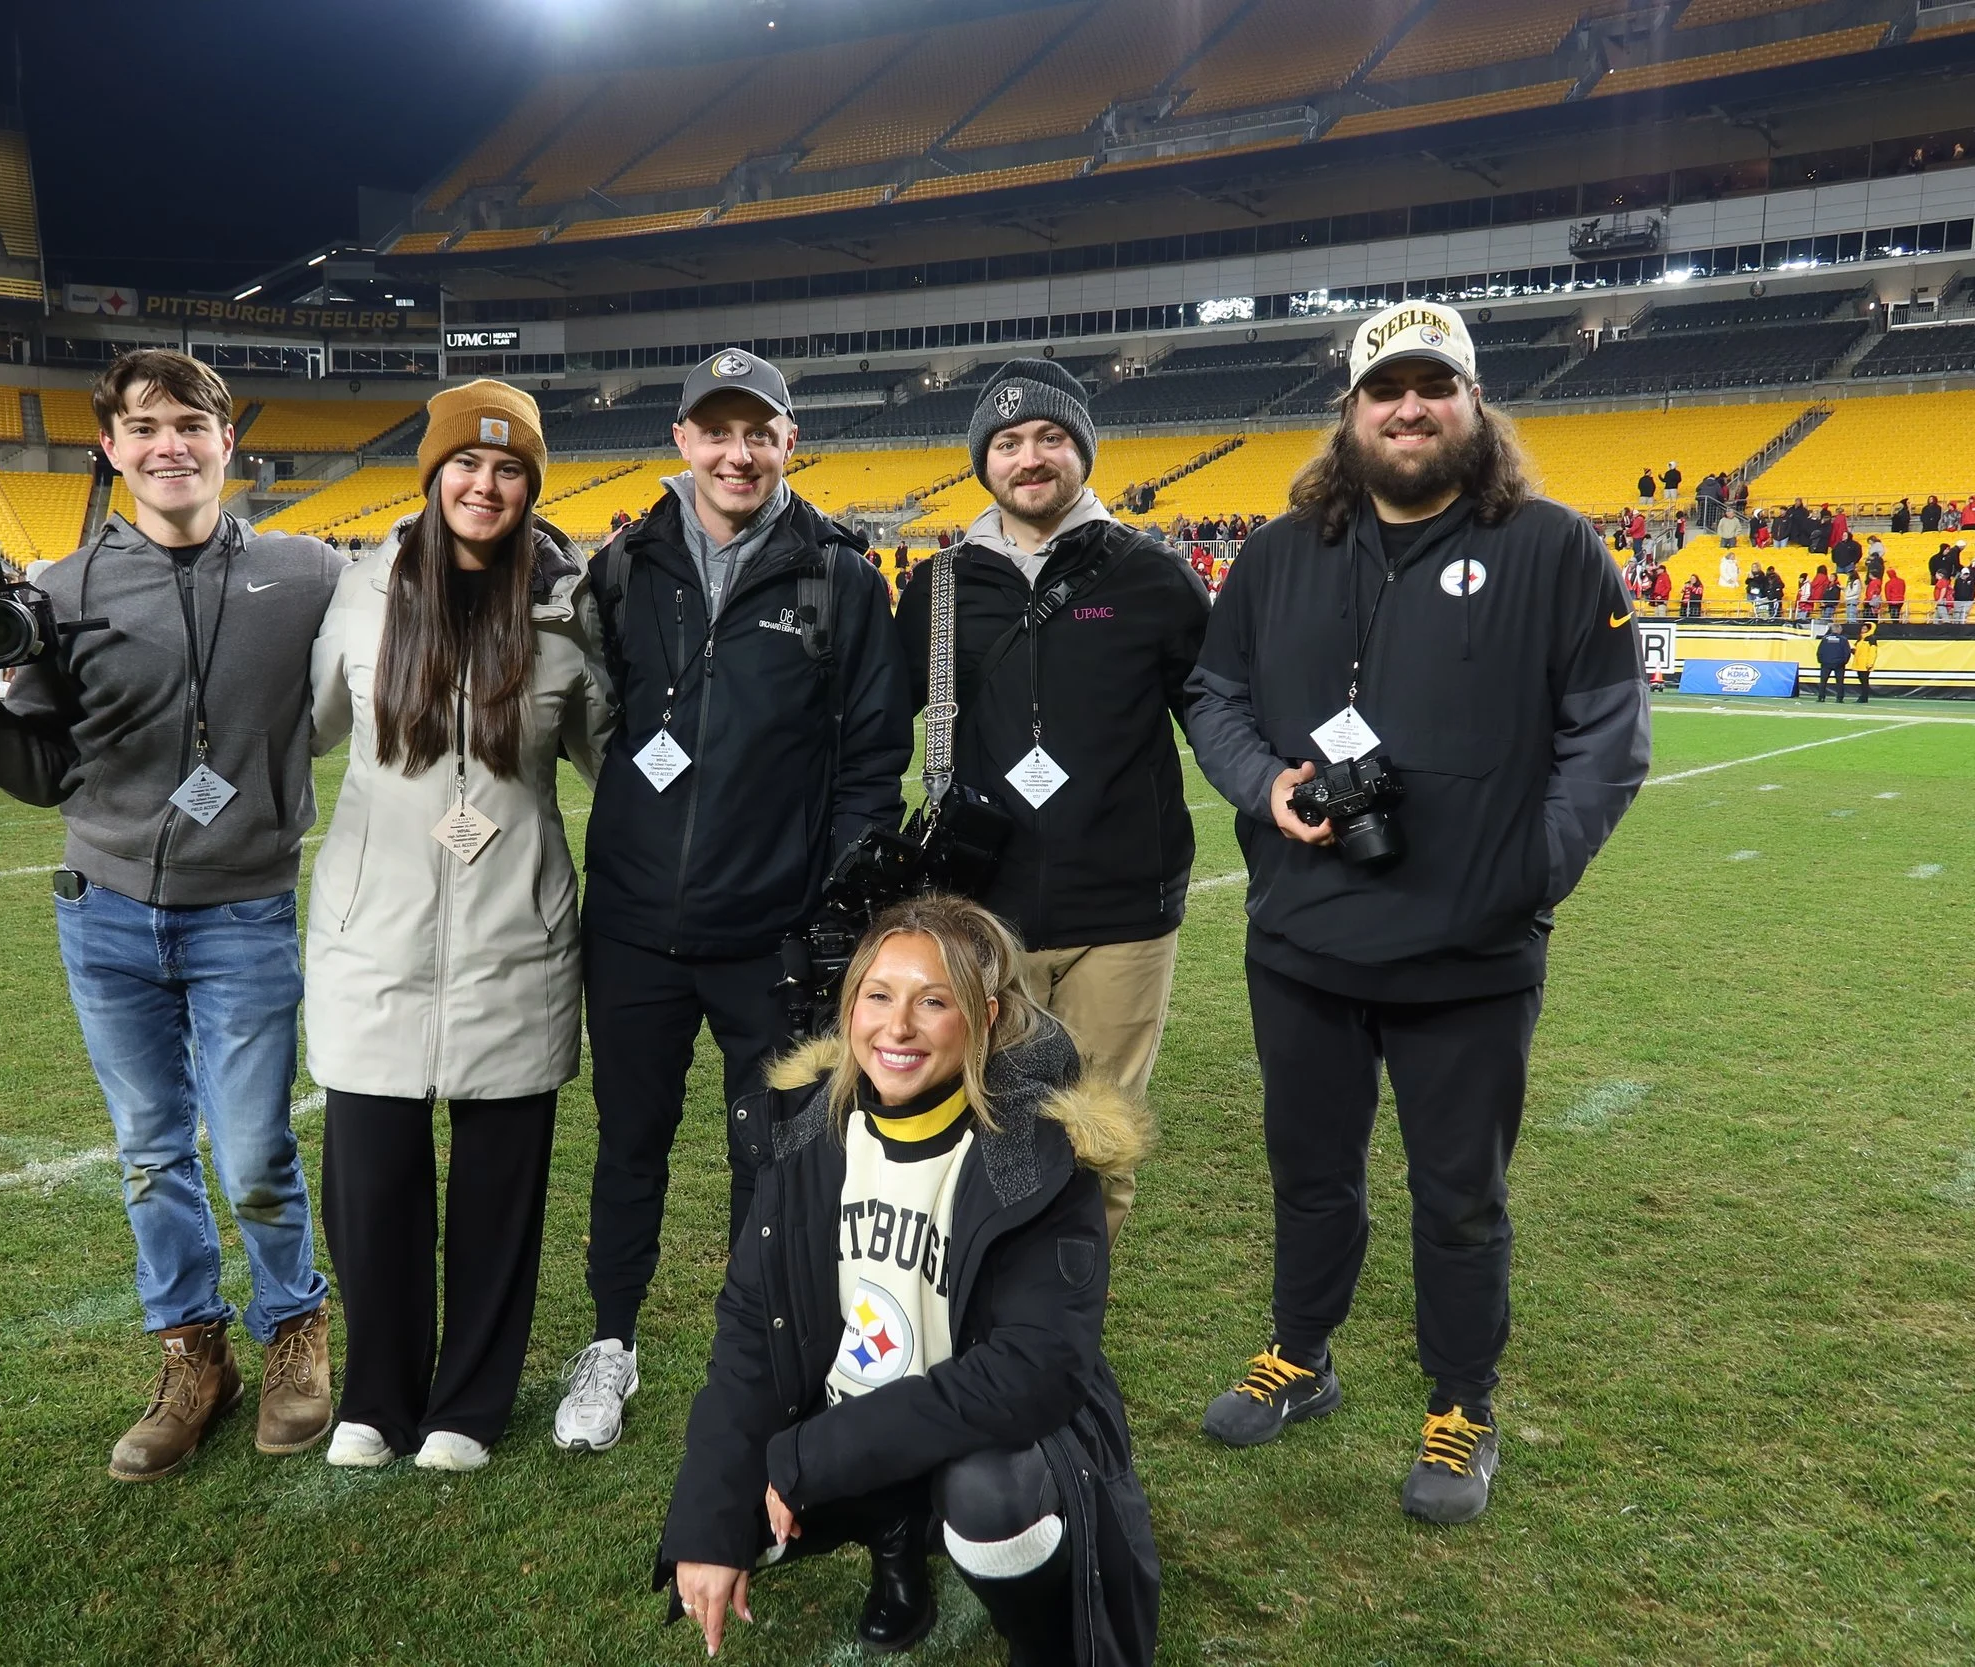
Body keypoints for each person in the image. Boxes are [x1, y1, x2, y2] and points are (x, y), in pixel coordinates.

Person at [1181, 300, 1649, 1525]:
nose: (1408, 406)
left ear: (1474, 406)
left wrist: (1523, 871)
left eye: (1435, 385)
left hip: (1470, 953)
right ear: (1348, 410)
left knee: (1458, 1194)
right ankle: (1303, 1353)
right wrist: (1260, 782)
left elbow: (1608, 738)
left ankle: (1461, 1403)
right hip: (1302, 941)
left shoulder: (1553, 548)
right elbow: (1213, 692)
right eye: (1385, 386)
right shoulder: (1279, 553)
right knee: (1310, 1173)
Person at [0, 349, 344, 1481]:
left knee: (253, 1144)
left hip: (244, 908)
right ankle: (192, 1356)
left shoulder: (308, 573)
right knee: (153, 1154)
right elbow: (41, 765)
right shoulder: (62, 591)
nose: (169, 444)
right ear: (109, 447)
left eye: (189, 423)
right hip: (104, 911)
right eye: (143, 425)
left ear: (225, 441)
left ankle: (296, 1328)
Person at [562, 350, 912, 1455]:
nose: (737, 452)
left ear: (788, 442)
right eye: (716, 431)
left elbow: (872, 757)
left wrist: (830, 901)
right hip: (631, 925)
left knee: (771, 1153)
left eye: (758, 431)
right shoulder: (626, 563)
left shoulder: (838, 576)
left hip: (769, 933)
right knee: (630, 1143)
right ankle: (610, 1344)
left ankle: (759, 1354)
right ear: (681, 440)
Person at [657, 895, 1157, 1665]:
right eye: (877, 995)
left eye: (934, 1001)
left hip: (975, 1438)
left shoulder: (1037, 1154)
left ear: (984, 1015)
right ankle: (894, 1540)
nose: (896, 1027)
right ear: (848, 1004)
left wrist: (812, 1455)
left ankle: (1042, 1633)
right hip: (851, 1417)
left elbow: (1032, 1374)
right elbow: (752, 1335)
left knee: (992, 1497)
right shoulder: (807, 1132)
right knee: (729, 1504)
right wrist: (707, 1525)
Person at [303, 383, 614, 1472]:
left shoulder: (568, 611)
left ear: (531, 485)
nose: (486, 486)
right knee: (373, 1182)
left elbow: (613, 758)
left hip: (512, 935)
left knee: (498, 1187)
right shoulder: (356, 593)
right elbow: (298, 728)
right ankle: (377, 1396)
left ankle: (469, 1403)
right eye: (467, 467)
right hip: (371, 935)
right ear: (432, 475)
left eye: (510, 470)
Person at [892, 359, 1210, 1242]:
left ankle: (1064, 1344)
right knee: (976, 1134)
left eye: (1050, 437)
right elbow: (877, 727)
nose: (1030, 457)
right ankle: (978, 1329)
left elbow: (1221, 715)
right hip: (979, 912)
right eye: (1008, 442)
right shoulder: (940, 585)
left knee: (1096, 1141)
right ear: (982, 463)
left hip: (1123, 912)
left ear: (1082, 452)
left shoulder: (1151, 575)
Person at [1815, 622, 1851, 701]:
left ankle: (1821, 697)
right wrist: (1844, 662)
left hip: (1826, 663)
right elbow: (1847, 652)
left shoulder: (1825, 639)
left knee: (1823, 681)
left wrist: (1821, 661)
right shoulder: (1843, 639)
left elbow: (1820, 651)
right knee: (1839, 682)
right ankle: (1839, 698)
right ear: (1839, 630)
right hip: (1839, 664)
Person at [1849, 620, 1878, 702]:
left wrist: (1870, 664)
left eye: (1865, 629)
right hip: (1859, 664)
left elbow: (1873, 653)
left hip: (1865, 665)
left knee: (1864, 682)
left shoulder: (1871, 639)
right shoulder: (1860, 639)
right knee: (1862, 682)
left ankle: (1864, 697)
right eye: (1862, 629)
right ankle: (1863, 697)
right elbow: (1858, 652)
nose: (1863, 630)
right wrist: (1853, 650)